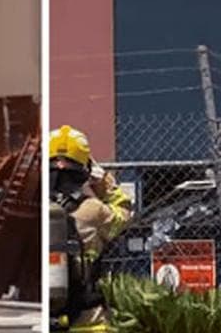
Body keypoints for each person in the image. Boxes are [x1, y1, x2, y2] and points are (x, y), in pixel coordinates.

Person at [48, 125, 133, 332]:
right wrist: (103, 181)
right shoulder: (93, 211)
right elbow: (125, 212)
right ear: (84, 170)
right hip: (86, 319)